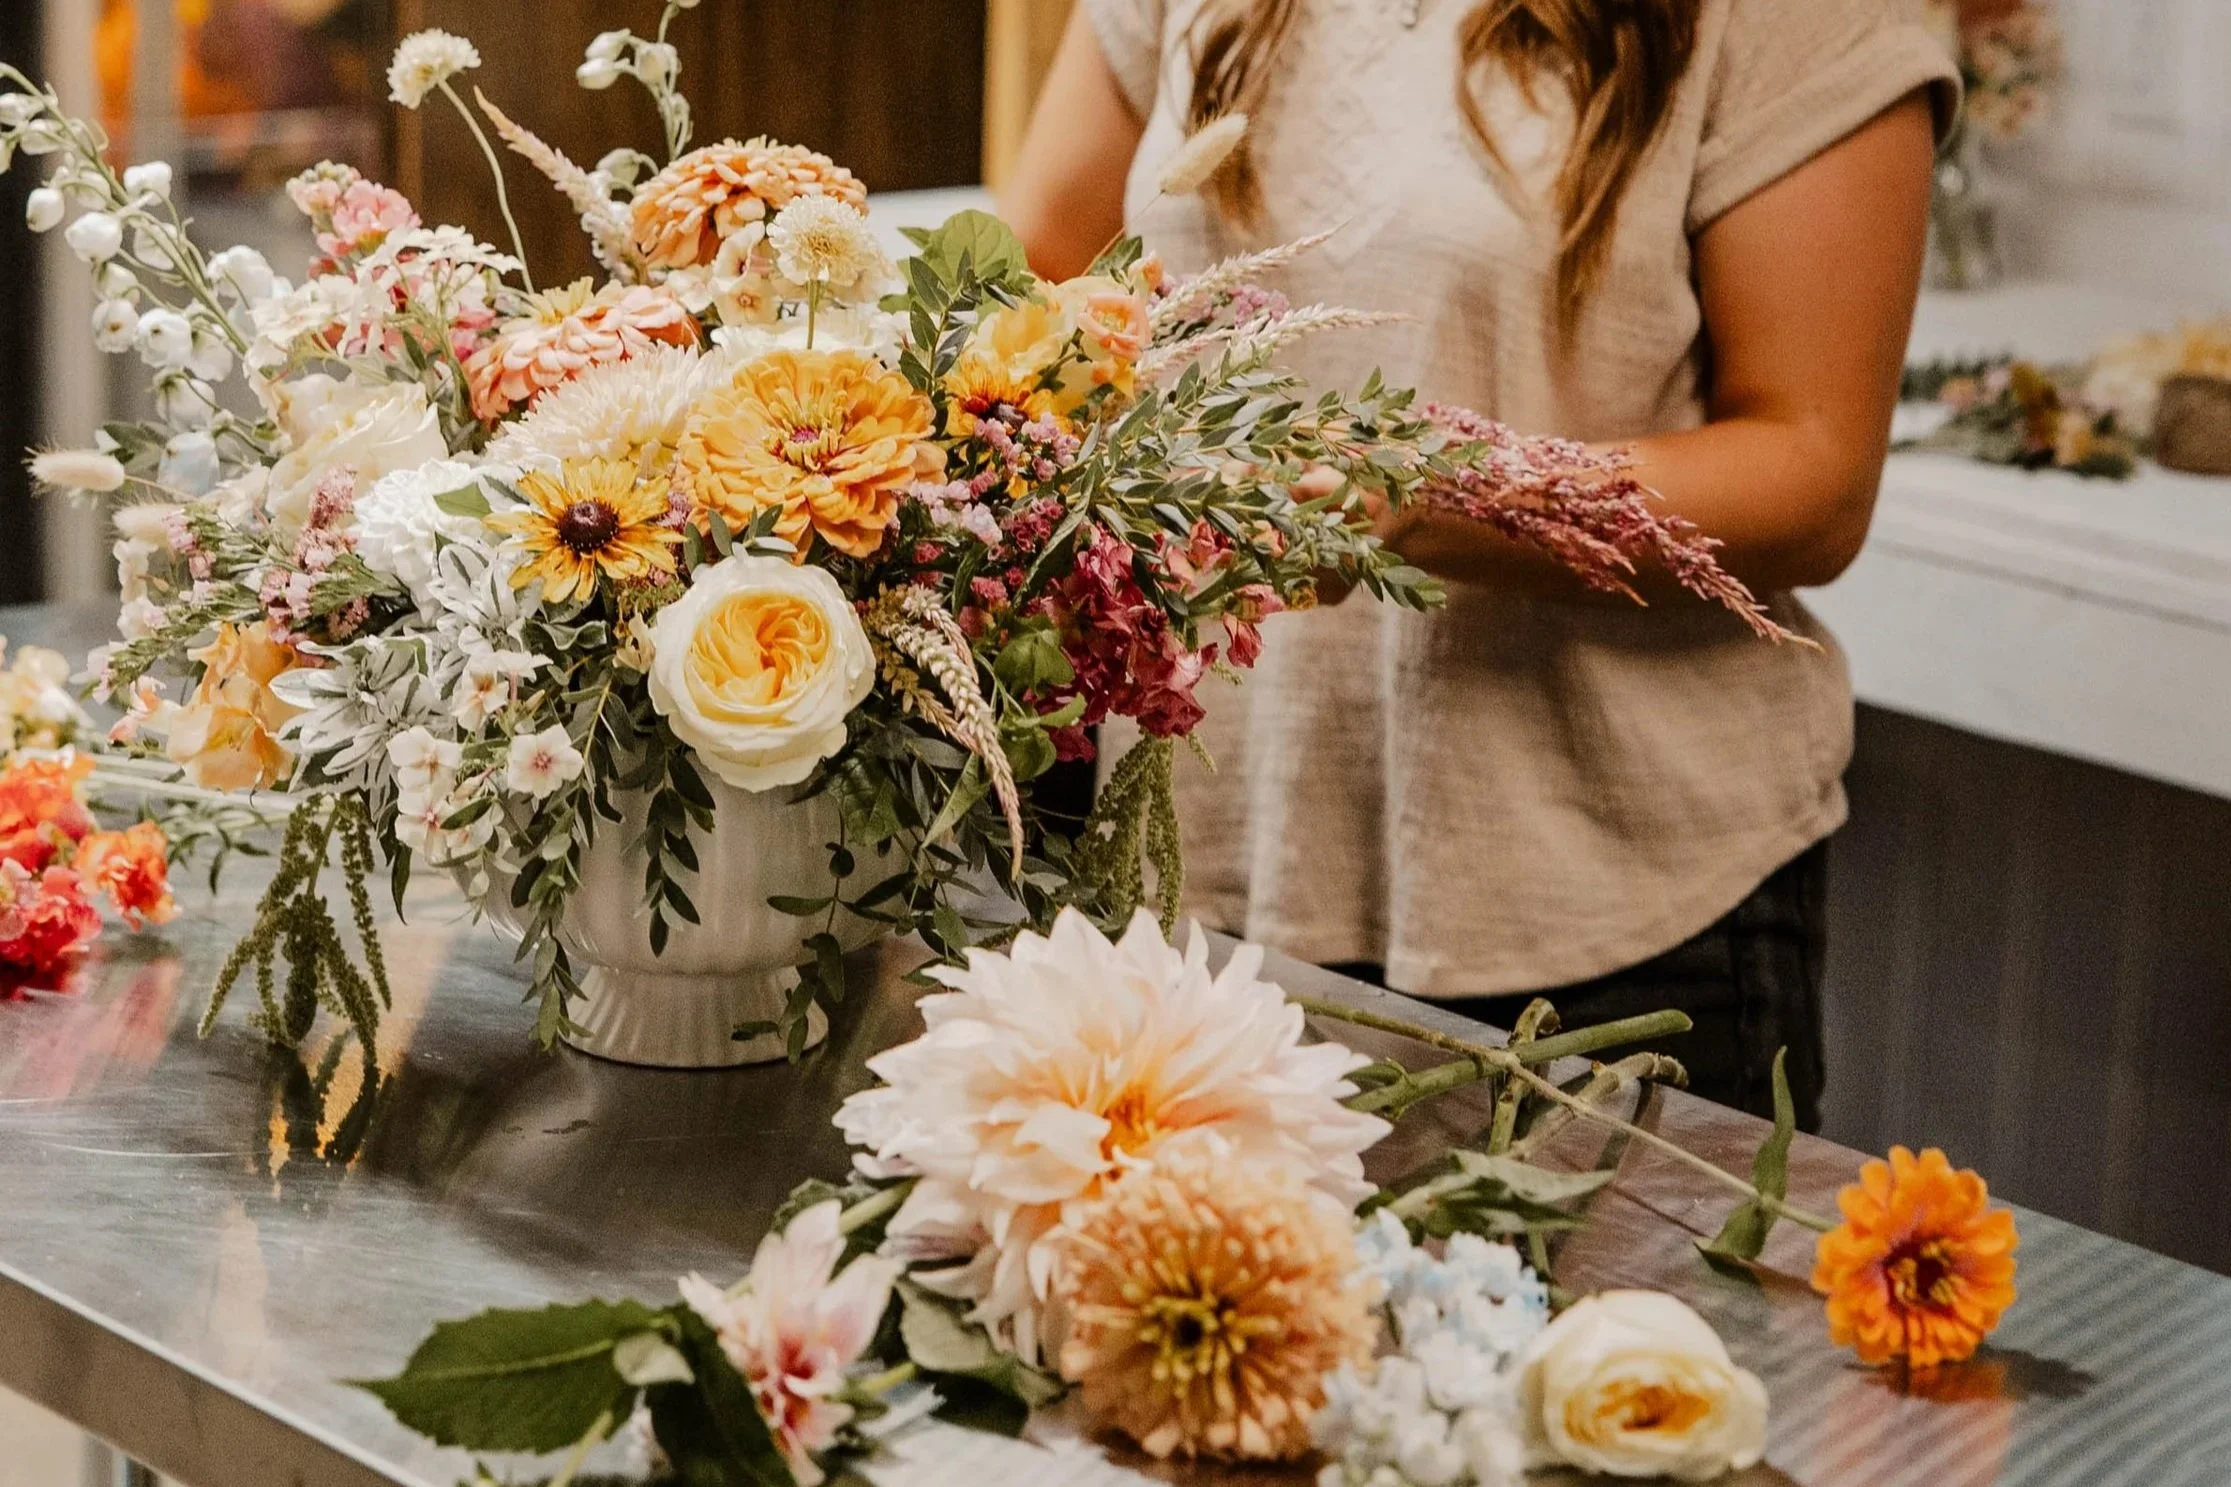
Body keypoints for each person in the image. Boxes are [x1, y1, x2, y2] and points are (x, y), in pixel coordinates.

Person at [1001, 0, 1956, 1131]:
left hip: (1598, 920)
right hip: (1200, 877)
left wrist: (1422, 494)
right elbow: (1042, 275)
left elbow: (1813, 474)